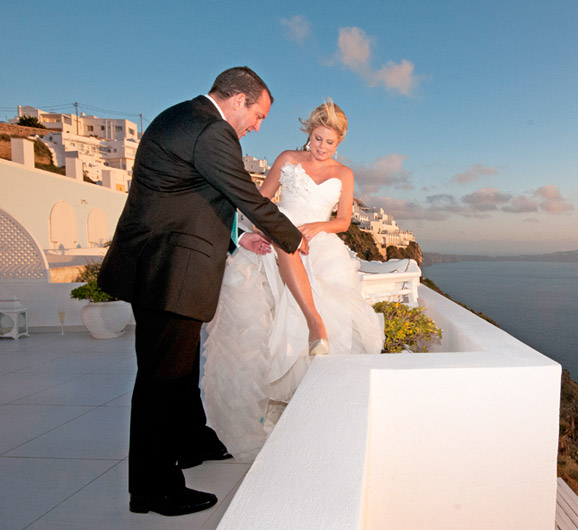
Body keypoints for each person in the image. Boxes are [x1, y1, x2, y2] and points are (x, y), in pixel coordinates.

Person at [98, 67, 307, 517]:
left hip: (161, 263)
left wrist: (238, 238)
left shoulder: (184, 118)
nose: (257, 125)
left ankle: (191, 440)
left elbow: (193, 196)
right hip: (170, 269)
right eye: (259, 115)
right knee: (162, 378)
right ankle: (153, 489)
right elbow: (244, 194)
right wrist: (291, 237)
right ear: (238, 100)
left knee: (181, 364)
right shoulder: (213, 131)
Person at [200, 100, 384, 459]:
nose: (321, 147)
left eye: (329, 142)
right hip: (279, 236)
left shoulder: (344, 174)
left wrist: (317, 226)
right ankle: (268, 404)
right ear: (309, 134)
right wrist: (258, 231)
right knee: (264, 319)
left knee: (331, 314)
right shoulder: (287, 159)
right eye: (317, 139)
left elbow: (344, 221)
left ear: (339, 143)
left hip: (318, 246)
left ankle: (313, 403)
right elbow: (259, 199)